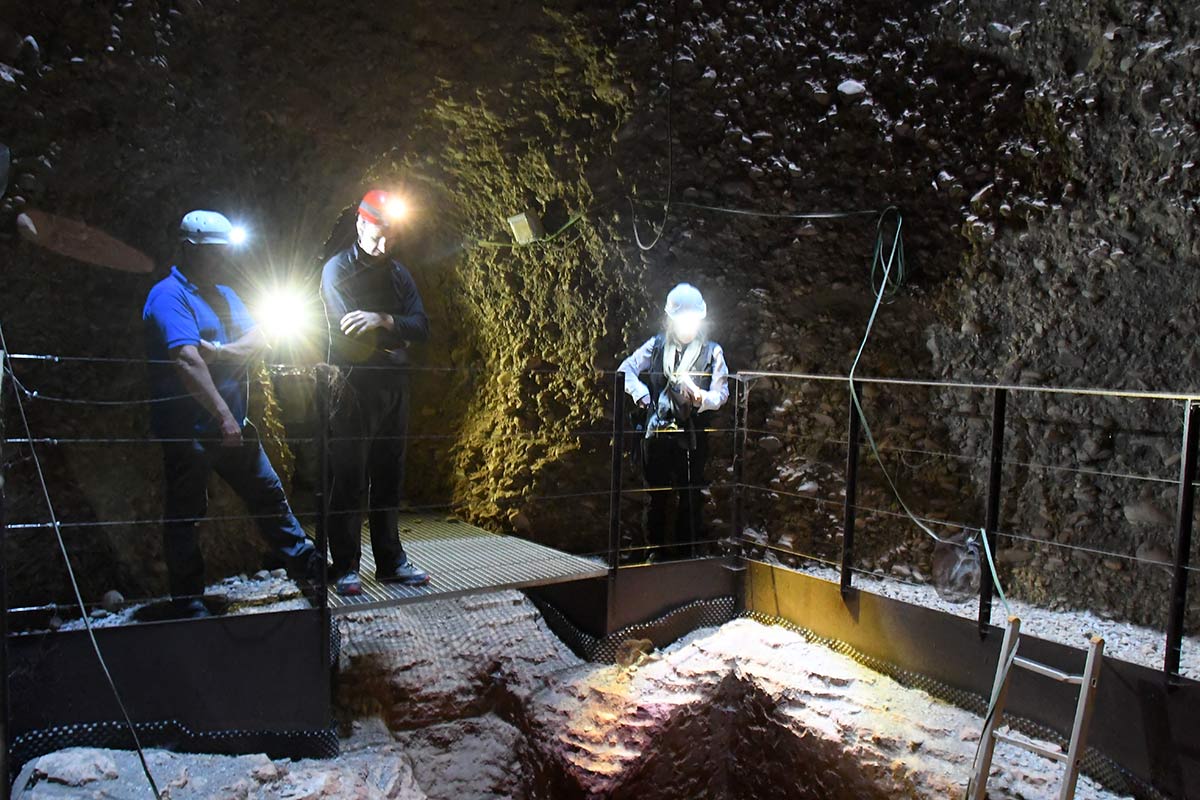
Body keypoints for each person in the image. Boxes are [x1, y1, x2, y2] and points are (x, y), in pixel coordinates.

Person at [143, 210, 317, 618]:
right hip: (192, 431)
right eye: (213, 252)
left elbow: (260, 338)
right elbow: (187, 360)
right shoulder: (169, 295)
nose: (221, 260)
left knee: (268, 492)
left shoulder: (223, 293)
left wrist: (220, 352)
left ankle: (305, 567)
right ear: (188, 250)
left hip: (232, 424)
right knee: (187, 513)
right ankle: (187, 600)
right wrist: (222, 414)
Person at [320, 190, 431, 596]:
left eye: (393, 237)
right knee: (350, 476)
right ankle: (345, 565)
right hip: (351, 386)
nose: (385, 245)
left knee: (389, 474)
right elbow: (349, 337)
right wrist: (394, 334)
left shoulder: (398, 273)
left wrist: (381, 319)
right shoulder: (337, 271)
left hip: (392, 387)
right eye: (379, 234)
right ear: (361, 225)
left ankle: (390, 561)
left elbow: (422, 327)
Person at [618, 283, 730, 561]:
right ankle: (655, 551)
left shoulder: (712, 352)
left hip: (690, 435)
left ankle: (685, 554)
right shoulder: (656, 346)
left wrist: (701, 398)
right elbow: (626, 369)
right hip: (657, 435)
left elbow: (722, 393)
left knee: (689, 496)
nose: (688, 326)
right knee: (656, 496)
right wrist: (643, 397)